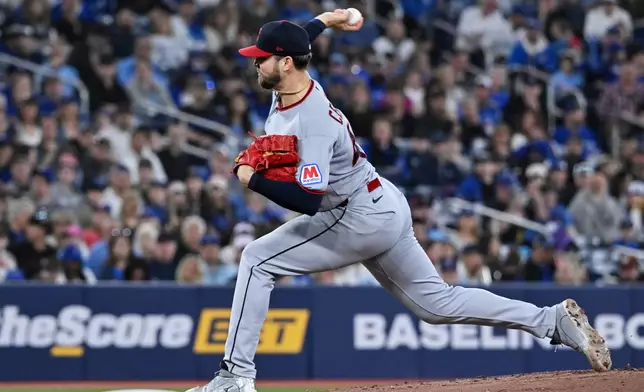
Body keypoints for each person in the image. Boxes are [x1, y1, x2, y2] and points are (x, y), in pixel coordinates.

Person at [187, 11, 612, 392]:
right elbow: (301, 38)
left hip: (353, 214)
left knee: (258, 259)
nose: (254, 62)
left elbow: (309, 200)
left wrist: (251, 177)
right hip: (380, 202)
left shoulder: (311, 118)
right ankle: (551, 320)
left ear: (284, 63)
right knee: (438, 305)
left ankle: (235, 377)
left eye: (261, 57)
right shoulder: (294, 82)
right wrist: (327, 19)